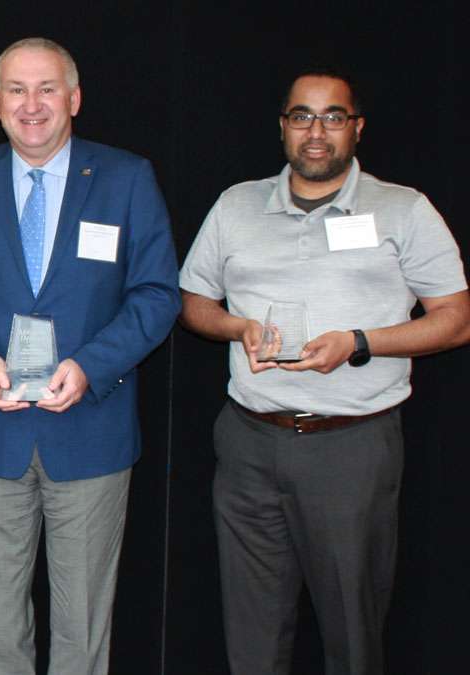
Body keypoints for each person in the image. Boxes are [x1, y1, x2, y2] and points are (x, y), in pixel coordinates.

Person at [178, 69, 470, 675]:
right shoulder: (236, 205)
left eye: (333, 117)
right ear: (282, 127)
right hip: (248, 442)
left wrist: (359, 343)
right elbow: (193, 303)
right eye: (302, 117)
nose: (317, 132)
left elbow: (455, 319)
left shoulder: (404, 209)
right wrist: (239, 327)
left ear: (356, 128)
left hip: (351, 448)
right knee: (251, 633)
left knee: (351, 635)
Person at [0, 38, 180, 674]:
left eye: (46, 89)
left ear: (75, 98)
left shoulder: (125, 178)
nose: (31, 104)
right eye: (16, 89)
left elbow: (157, 294)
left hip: (91, 431)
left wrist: (90, 365)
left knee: (83, 626)